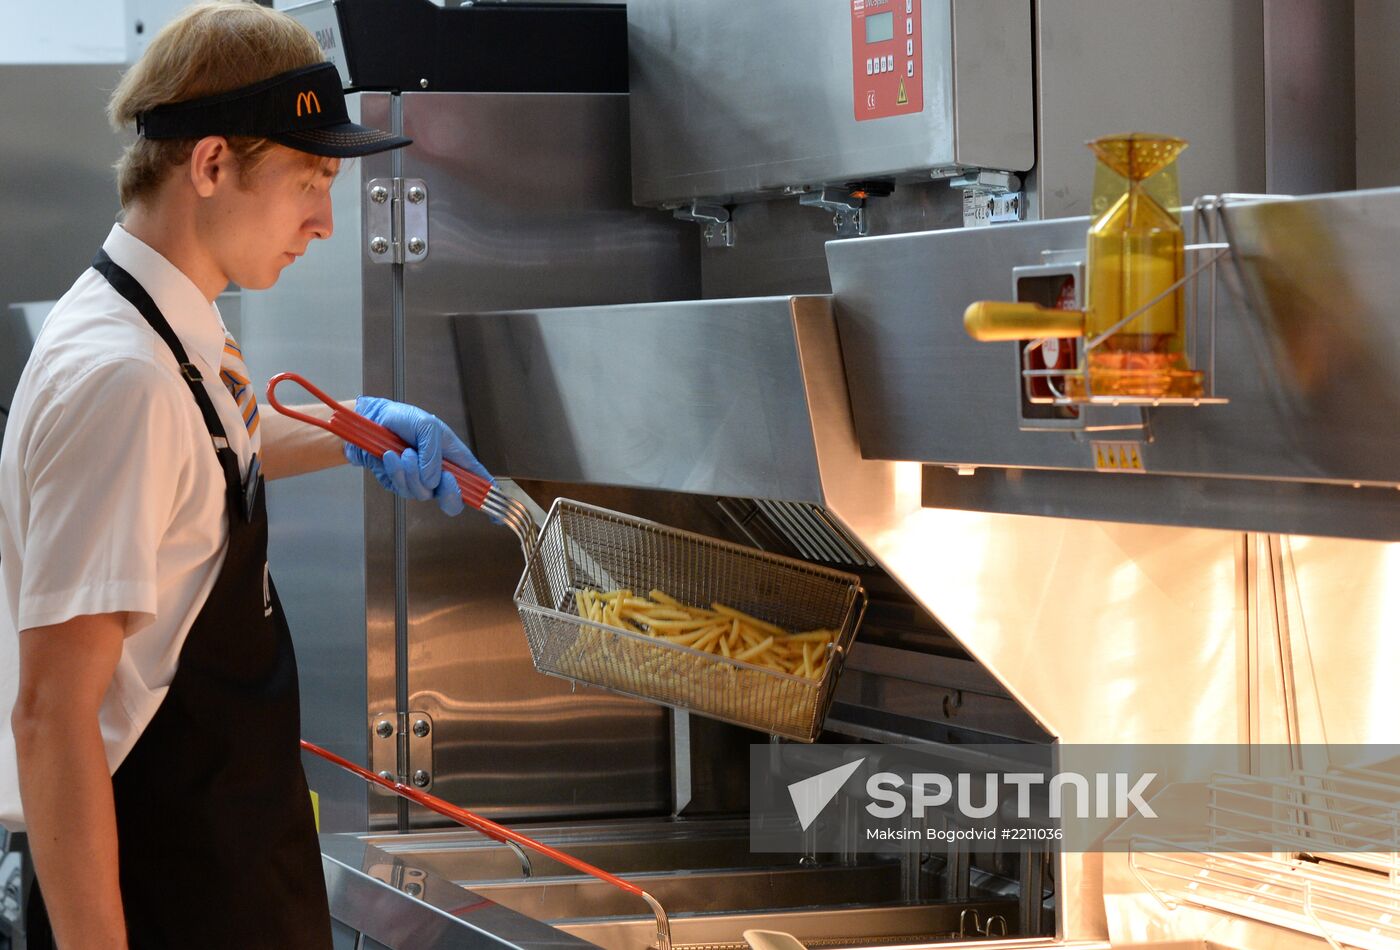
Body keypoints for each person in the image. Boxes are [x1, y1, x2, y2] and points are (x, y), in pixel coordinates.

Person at [0, 4, 492, 947]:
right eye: (309, 180)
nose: (323, 220)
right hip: (164, 891)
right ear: (212, 164)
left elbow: (212, 449)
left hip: (227, 871)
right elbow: (49, 716)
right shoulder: (123, 376)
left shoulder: (167, 332)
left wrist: (359, 430)